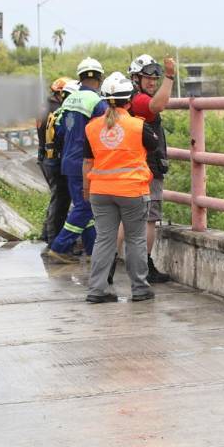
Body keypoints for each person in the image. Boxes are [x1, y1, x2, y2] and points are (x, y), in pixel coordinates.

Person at [84, 72, 159, 303]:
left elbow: (87, 162)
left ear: (105, 100)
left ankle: (98, 290)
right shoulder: (139, 126)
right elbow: (154, 146)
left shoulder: (92, 127)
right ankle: (139, 288)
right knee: (135, 239)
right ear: (129, 101)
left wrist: (86, 190)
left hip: (100, 191)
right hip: (132, 191)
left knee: (104, 239)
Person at [46, 58, 106, 264]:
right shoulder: (98, 104)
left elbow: (60, 131)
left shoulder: (69, 100)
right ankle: (60, 246)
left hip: (68, 161)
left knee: (83, 206)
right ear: (99, 78)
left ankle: (92, 250)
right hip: (85, 163)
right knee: (86, 207)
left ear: (80, 77)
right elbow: (104, 132)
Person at [127, 54, 176, 283]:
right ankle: (144, 266)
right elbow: (158, 104)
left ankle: (108, 266)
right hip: (147, 168)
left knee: (124, 219)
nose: (152, 83)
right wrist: (170, 76)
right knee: (149, 219)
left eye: (155, 79)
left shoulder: (125, 100)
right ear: (136, 78)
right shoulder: (138, 101)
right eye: (147, 78)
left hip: (130, 167)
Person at [37, 77, 75, 243]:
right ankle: (54, 240)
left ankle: (47, 234)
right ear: (61, 94)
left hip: (45, 156)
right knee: (61, 200)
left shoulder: (45, 107)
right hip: (54, 158)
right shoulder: (58, 109)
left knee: (56, 197)